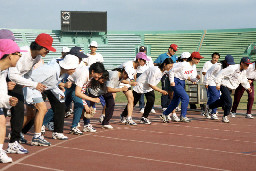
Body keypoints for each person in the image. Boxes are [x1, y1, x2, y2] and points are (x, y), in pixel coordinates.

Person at [6, 33, 54, 154]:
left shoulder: (37, 58)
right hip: (6, 80)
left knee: (18, 112)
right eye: (46, 49)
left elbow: (27, 74)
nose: (48, 51)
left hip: (17, 83)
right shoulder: (22, 55)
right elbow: (12, 74)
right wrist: (33, 85)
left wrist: (33, 86)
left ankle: (13, 143)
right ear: (39, 46)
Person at [24, 54, 79, 143]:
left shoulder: (62, 72)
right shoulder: (50, 70)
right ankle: (27, 135)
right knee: (38, 111)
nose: (75, 70)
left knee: (59, 104)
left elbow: (52, 82)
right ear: (68, 67)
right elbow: (30, 79)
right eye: (74, 68)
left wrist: (59, 90)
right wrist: (30, 97)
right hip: (32, 87)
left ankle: (20, 135)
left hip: (43, 88)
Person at [122, 58, 174, 124]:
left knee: (151, 100)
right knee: (133, 102)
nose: (170, 68)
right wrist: (161, 91)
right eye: (170, 66)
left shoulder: (164, 70)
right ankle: (123, 115)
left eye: (171, 66)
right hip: (141, 85)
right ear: (165, 64)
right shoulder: (155, 70)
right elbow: (151, 84)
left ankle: (144, 117)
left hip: (148, 87)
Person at [206, 57, 252, 123]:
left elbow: (244, 79)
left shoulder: (243, 71)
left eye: (248, 64)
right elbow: (220, 74)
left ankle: (209, 106)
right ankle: (225, 116)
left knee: (222, 102)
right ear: (242, 63)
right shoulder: (232, 68)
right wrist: (218, 84)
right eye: (246, 64)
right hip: (224, 85)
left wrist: (248, 87)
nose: (248, 66)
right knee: (229, 101)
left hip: (231, 88)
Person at [160, 52, 203, 123]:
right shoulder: (184, 64)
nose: (199, 60)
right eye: (197, 59)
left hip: (182, 82)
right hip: (176, 81)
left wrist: (197, 78)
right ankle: (183, 116)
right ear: (193, 58)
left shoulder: (193, 67)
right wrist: (172, 81)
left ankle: (165, 114)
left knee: (176, 101)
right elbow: (171, 71)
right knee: (185, 97)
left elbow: (192, 78)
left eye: (199, 59)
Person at [0, 39, 24, 163]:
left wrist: (8, 99)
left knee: (2, 120)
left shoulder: (3, 72)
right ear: (10, 56)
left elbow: (1, 93)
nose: (20, 57)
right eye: (18, 54)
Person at [119, 52, 149, 124]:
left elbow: (133, 76)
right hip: (116, 81)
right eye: (144, 60)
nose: (145, 62)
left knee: (131, 99)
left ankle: (129, 118)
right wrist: (132, 83)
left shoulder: (136, 66)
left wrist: (134, 81)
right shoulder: (128, 66)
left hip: (125, 82)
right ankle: (103, 116)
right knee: (111, 101)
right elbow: (122, 79)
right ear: (139, 60)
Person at [204, 55, 233, 120]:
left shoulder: (228, 68)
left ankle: (207, 108)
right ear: (225, 62)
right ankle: (213, 113)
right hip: (212, 82)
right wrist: (206, 82)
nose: (229, 65)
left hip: (220, 83)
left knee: (219, 98)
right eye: (228, 63)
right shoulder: (217, 66)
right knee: (216, 96)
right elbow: (208, 73)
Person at [154, 44, 178, 111]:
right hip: (165, 75)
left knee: (172, 90)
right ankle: (164, 105)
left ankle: (171, 105)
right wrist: (162, 66)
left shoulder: (174, 57)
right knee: (165, 89)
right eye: (173, 50)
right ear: (169, 49)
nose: (174, 52)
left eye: (175, 51)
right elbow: (155, 63)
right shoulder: (162, 56)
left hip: (172, 75)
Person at [136, 46, 156, 114]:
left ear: (145, 51)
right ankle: (142, 107)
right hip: (139, 73)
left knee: (149, 90)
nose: (142, 52)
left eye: (143, 51)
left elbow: (151, 67)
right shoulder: (136, 58)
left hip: (147, 74)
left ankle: (151, 107)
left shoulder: (149, 58)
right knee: (140, 91)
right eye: (141, 51)